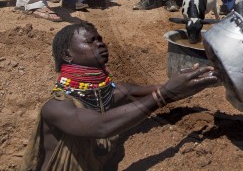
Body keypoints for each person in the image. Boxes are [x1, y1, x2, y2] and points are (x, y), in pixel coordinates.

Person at [19, 22, 217, 171]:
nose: (101, 44)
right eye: (91, 41)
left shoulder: (108, 94)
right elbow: (101, 126)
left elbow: (162, 89)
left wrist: (205, 78)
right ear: (68, 55)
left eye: (100, 39)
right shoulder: (56, 107)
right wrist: (165, 94)